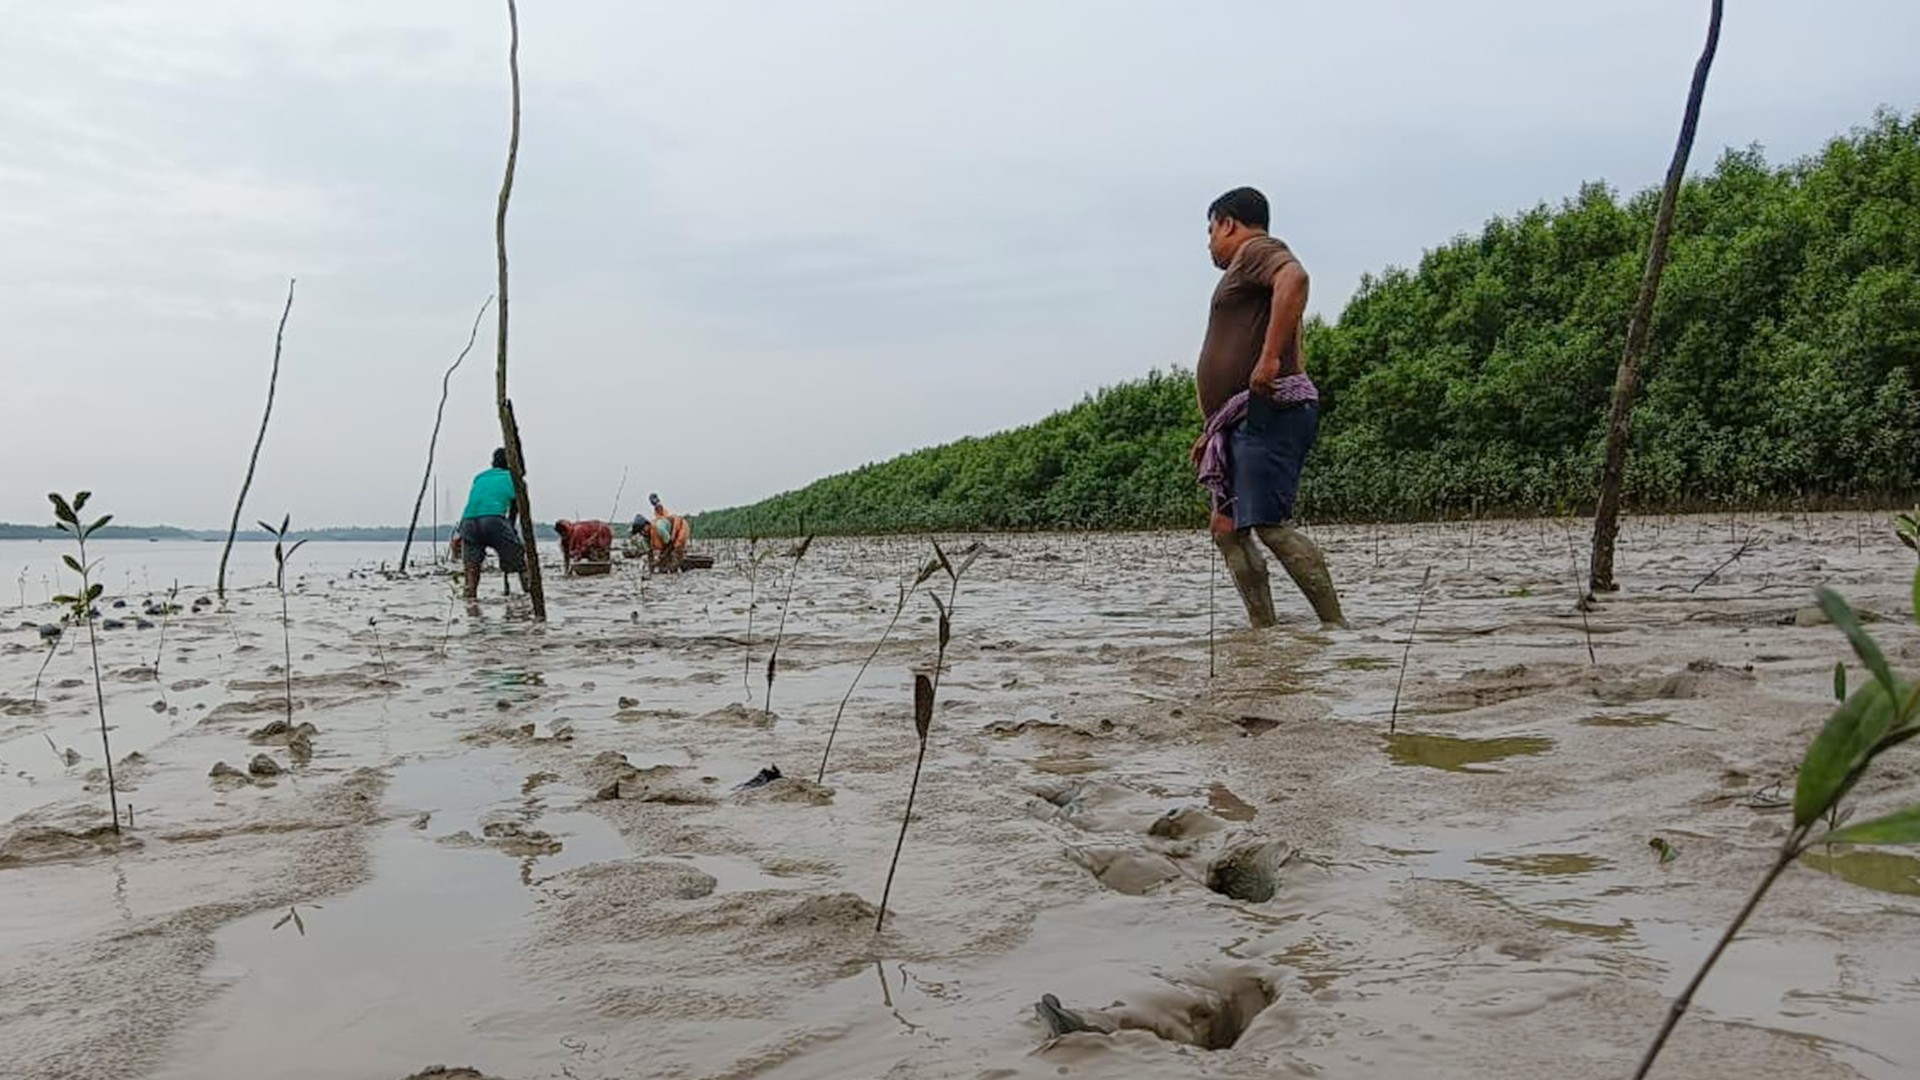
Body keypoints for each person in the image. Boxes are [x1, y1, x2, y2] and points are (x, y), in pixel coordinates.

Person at [1190, 187, 1345, 628]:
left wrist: (1270, 358)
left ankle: (1336, 628)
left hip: (1270, 411)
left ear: (1228, 223)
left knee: (1270, 526)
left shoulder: (1258, 250)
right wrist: (1211, 430)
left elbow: (1294, 279)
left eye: (1210, 231)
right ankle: (1265, 635)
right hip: (1239, 421)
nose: (1208, 244)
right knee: (1227, 531)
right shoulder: (1245, 265)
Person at [458, 448, 526, 609]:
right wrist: (511, 532)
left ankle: (470, 604)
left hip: (468, 522)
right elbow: (516, 510)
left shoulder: (480, 477)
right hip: (493, 520)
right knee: (519, 559)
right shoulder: (516, 479)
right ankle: (529, 596)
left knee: (471, 567)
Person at [640, 493, 692, 571]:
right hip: (669, 531)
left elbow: (670, 543)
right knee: (663, 563)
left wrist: (662, 556)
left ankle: (678, 565)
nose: (643, 533)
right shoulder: (648, 532)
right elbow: (650, 552)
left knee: (674, 558)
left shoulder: (660, 526)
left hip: (679, 530)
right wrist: (653, 564)